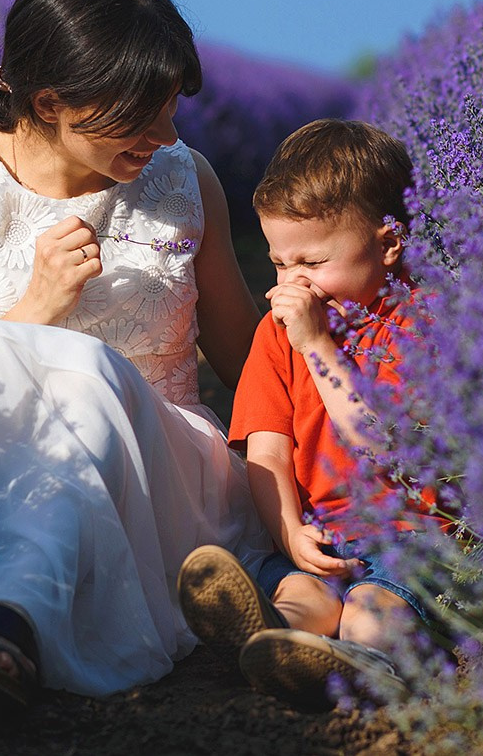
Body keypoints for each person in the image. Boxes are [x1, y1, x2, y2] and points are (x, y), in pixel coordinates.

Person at [0, 0, 267, 707]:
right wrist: (33, 311)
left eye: (170, 106)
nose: (163, 132)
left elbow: (247, 365)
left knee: (85, 377)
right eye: (136, 113)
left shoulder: (186, 180)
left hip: (167, 478)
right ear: (49, 101)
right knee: (0, 347)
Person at [177, 119, 449, 711]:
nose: (291, 284)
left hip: (410, 538)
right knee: (301, 595)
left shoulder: (420, 321)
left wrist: (320, 347)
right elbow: (267, 450)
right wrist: (288, 532)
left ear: (388, 243)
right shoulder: (275, 338)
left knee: (373, 612)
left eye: (313, 262)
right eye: (278, 264)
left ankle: (365, 664)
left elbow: (387, 445)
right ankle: (269, 641)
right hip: (323, 535)